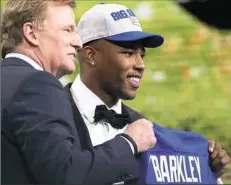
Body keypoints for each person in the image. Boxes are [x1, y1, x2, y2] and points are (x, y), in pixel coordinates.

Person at [65, 3, 230, 184]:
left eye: (141, 55)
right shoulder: (50, 115)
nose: (140, 65)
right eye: (128, 53)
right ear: (90, 56)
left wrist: (205, 170)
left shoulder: (146, 130)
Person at [1, 0, 157, 184]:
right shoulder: (37, 85)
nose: (77, 42)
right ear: (31, 33)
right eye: (67, 30)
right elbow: (65, 173)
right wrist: (129, 143)